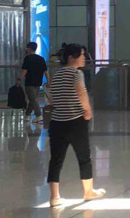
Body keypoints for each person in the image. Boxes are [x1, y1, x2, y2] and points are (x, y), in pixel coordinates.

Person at [46, 44, 107, 206]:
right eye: (82, 55)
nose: (84, 58)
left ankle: (54, 197)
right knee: (84, 156)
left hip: (57, 122)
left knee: (56, 159)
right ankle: (88, 192)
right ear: (71, 58)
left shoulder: (57, 74)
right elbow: (81, 92)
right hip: (75, 121)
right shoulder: (76, 73)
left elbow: (51, 97)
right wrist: (88, 110)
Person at [18, 41, 48, 124]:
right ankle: (27, 115)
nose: (26, 49)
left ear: (29, 49)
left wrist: (19, 79)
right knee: (33, 99)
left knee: (32, 99)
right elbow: (45, 71)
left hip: (29, 82)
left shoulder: (27, 58)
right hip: (38, 82)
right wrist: (48, 81)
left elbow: (24, 70)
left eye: (27, 48)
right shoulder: (41, 59)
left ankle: (39, 115)